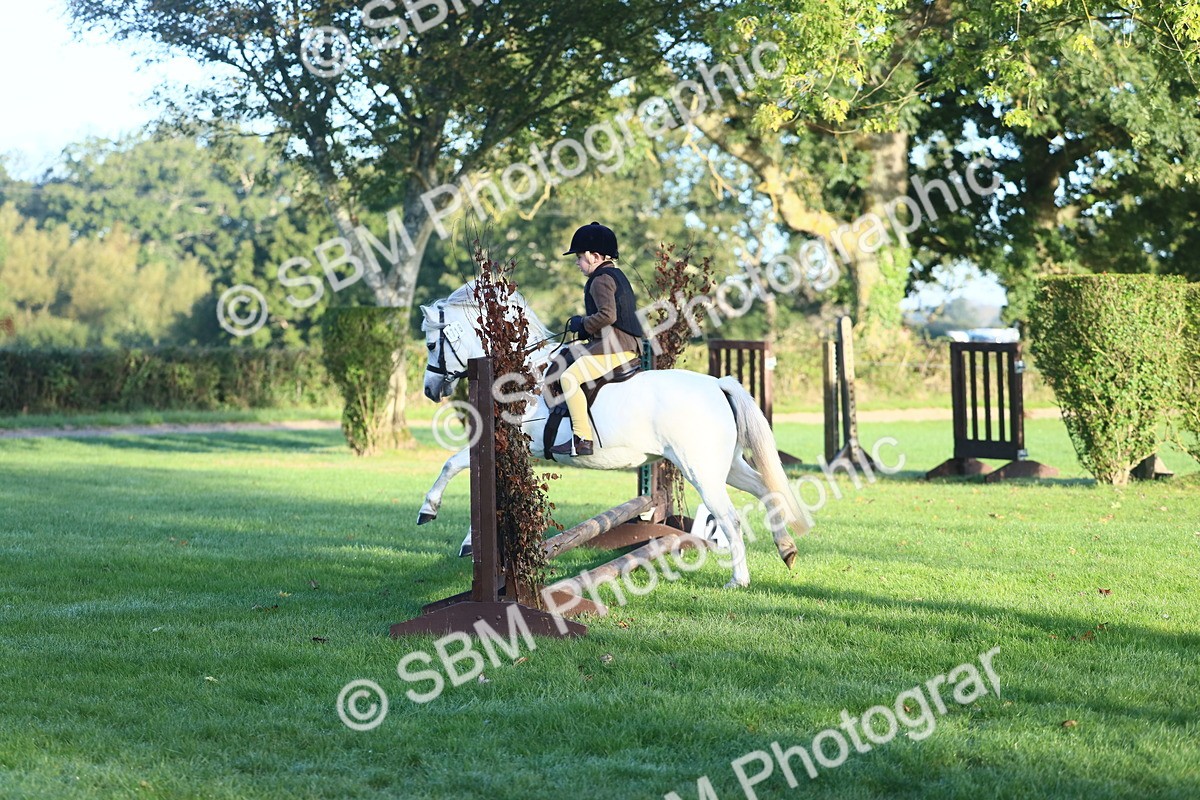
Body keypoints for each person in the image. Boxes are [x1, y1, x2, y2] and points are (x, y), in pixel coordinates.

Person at [550, 222, 644, 457]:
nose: (577, 262)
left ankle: (582, 439)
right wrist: (584, 331)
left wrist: (582, 323)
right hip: (623, 344)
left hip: (615, 348)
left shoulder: (601, 279)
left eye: (580, 257)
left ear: (595, 256)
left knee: (569, 378)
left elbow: (608, 315)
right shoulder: (615, 275)